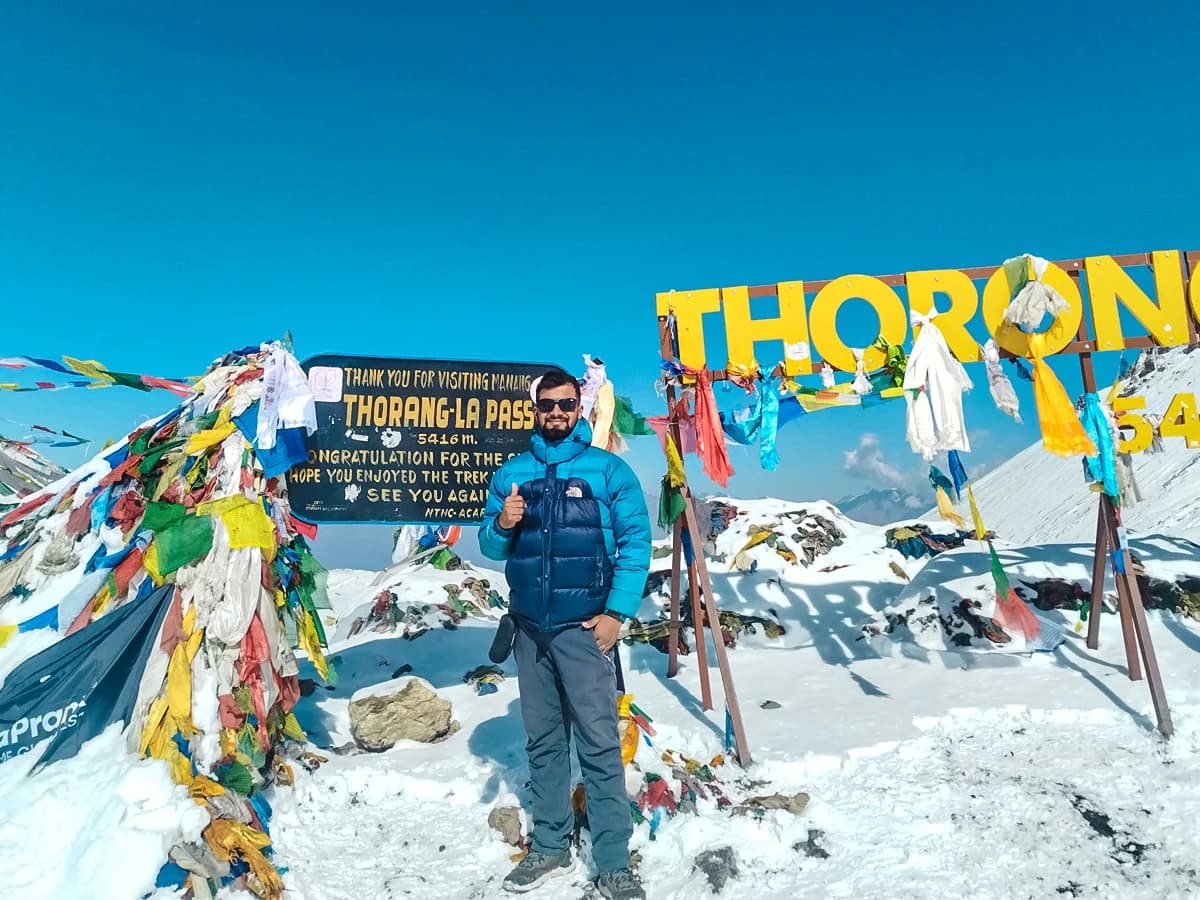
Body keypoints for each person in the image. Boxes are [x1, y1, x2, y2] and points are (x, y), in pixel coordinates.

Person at [479, 367, 651, 899]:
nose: (556, 412)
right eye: (547, 404)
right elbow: (489, 547)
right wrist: (503, 523)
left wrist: (616, 615)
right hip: (530, 631)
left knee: (600, 744)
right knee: (544, 743)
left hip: (583, 631)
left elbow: (636, 542)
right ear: (534, 410)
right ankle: (550, 846)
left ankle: (613, 859)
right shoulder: (511, 473)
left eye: (566, 404)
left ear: (580, 408)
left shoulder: (608, 470)